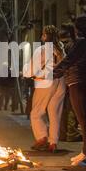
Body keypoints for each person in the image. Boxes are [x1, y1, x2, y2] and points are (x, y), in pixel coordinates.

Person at [53, 15, 86, 166]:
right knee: (83, 119)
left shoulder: (84, 42)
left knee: (84, 120)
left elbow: (69, 59)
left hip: (80, 83)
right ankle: (85, 152)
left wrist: (51, 73)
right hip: (80, 82)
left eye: (77, 26)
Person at [24, 25, 66, 153]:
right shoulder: (61, 50)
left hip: (46, 81)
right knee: (55, 113)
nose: (41, 36)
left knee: (36, 112)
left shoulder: (42, 50)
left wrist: (25, 72)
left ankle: (42, 137)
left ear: (46, 36)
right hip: (60, 81)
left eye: (43, 34)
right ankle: (53, 142)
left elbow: (31, 69)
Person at [59, 22, 82, 142]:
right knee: (72, 107)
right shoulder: (72, 46)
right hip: (72, 79)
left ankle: (63, 133)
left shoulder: (59, 46)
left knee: (63, 108)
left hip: (62, 80)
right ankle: (71, 133)